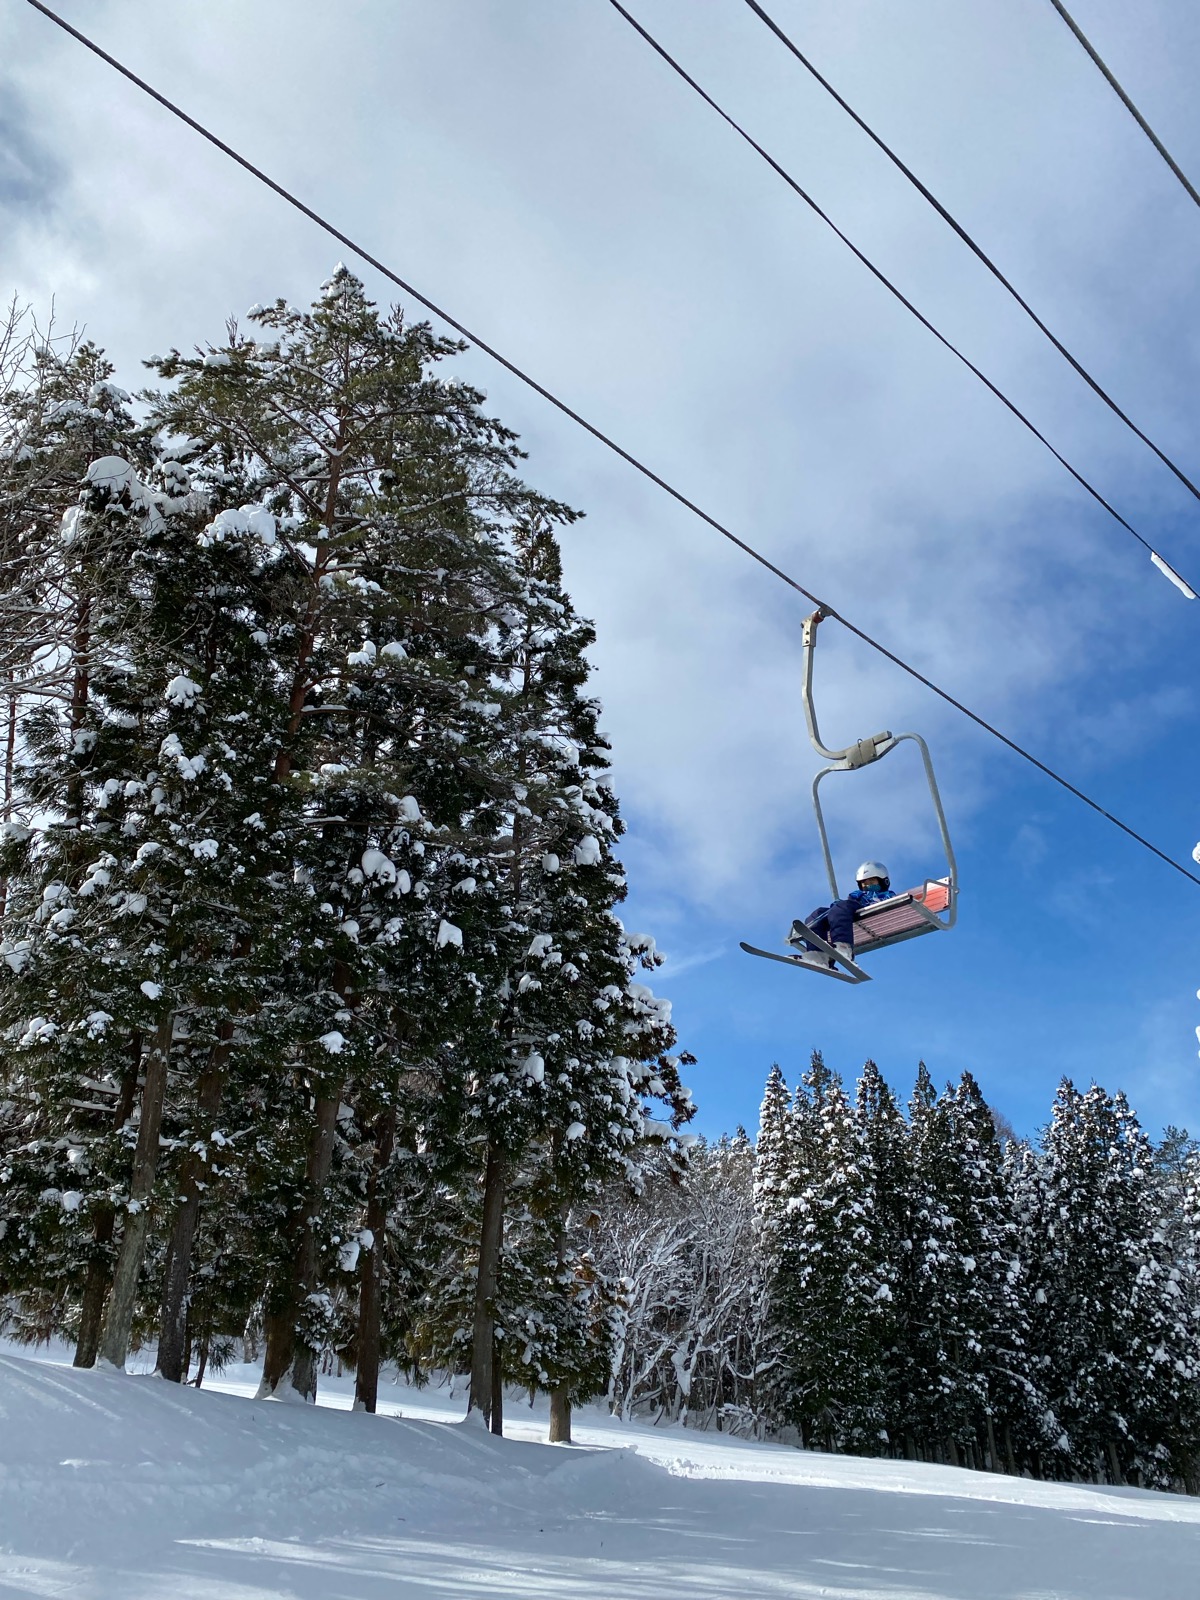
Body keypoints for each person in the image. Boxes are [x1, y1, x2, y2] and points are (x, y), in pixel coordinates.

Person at [787, 860, 894, 967]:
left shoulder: (887, 895)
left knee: (841, 907)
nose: (867, 886)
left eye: (872, 882)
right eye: (864, 883)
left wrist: (847, 903)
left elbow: (889, 902)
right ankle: (818, 954)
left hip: (866, 909)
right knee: (817, 913)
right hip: (849, 911)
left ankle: (843, 946)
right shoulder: (857, 895)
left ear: (883, 881)